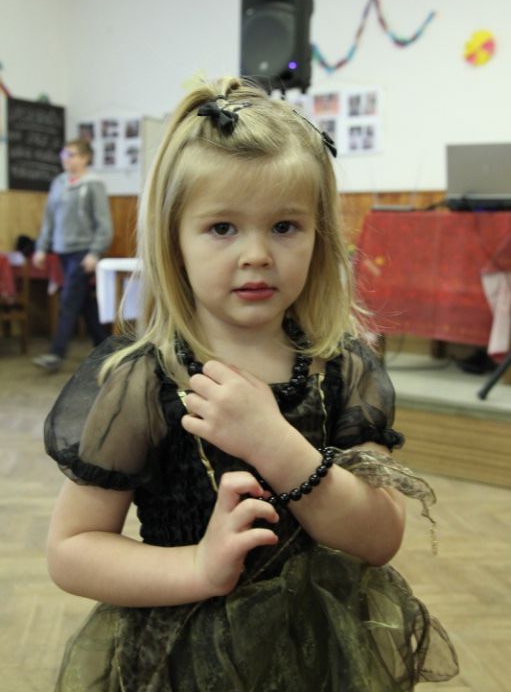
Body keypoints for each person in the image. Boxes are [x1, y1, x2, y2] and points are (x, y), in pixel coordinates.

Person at [44, 78, 458, 691]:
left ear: (319, 237)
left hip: (325, 656)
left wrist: (275, 443)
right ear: (174, 240)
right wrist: (198, 567)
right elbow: (71, 550)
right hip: (185, 657)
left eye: (285, 226)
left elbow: (378, 539)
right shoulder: (142, 381)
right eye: (222, 228)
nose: (257, 254)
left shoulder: (343, 369)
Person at [32, 139, 113, 372]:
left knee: (68, 301)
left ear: (85, 158)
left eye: (72, 154)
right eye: (64, 154)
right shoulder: (58, 183)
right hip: (62, 251)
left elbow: (104, 223)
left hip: (82, 252)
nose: (66, 158)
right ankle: (105, 348)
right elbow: (49, 219)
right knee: (84, 302)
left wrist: (95, 252)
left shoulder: (94, 184)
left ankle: (56, 353)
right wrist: (41, 247)